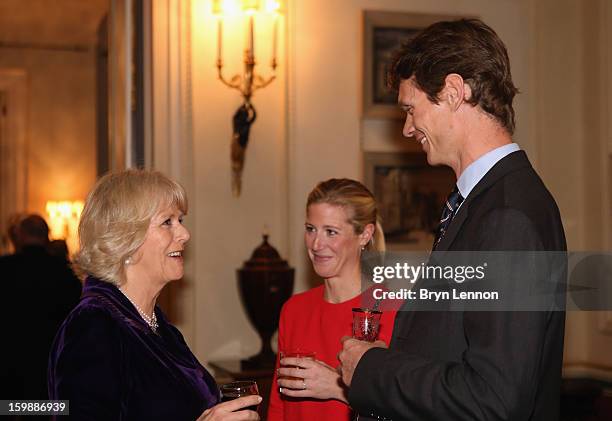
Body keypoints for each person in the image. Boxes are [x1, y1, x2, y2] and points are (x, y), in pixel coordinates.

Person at [339, 19, 567, 420]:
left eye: (412, 109)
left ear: (455, 91)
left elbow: (494, 399)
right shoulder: (483, 201)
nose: (408, 128)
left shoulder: (508, 216)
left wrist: (372, 368)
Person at [48, 170, 261, 420]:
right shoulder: (93, 325)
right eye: (167, 222)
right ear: (125, 239)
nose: (184, 234)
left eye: (180, 220)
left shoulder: (158, 328)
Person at [267, 178, 397, 421]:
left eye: (331, 232)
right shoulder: (294, 309)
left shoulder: (394, 309)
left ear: (364, 234)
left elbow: (408, 408)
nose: (316, 244)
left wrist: (337, 389)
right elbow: (279, 406)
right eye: (310, 229)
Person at [0, 214, 82, 404]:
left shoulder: (4, 269)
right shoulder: (65, 272)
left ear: (20, 236)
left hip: (9, 360)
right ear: (47, 237)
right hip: (50, 361)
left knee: (8, 409)